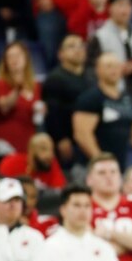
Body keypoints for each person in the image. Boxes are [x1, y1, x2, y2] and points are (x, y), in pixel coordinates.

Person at [73, 52, 132, 177]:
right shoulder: (90, 98)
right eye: (108, 66)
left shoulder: (128, 98)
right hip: (90, 169)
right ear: (98, 70)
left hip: (119, 169)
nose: (113, 70)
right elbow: (82, 135)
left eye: (116, 66)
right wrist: (103, 166)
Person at [42, 35, 90, 165]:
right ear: (60, 54)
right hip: (69, 139)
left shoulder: (92, 76)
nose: (78, 49)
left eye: (81, 45)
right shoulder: (55, 79)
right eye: (71, 46)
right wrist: (61, 138)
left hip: (91, 138)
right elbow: (52, 113)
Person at [0, 42, 42, 158]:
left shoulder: (35, 86)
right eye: (10, 57)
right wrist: (17, 90)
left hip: (28, 142)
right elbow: (4, 107)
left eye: (17, 55)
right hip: (5, 144)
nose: (14, 60)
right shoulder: (0, 83)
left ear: (26, 58)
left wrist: (42, 110)